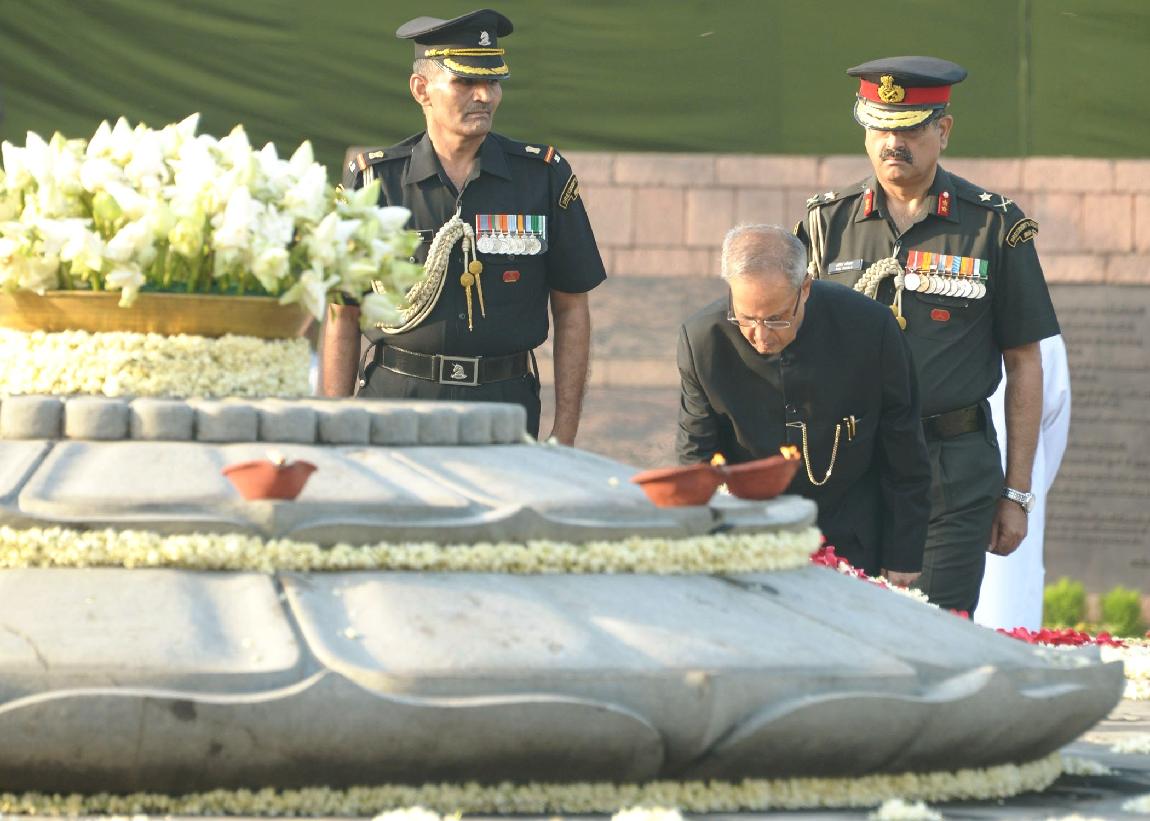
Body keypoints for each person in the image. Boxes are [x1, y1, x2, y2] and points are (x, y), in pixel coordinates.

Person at [798, 56, 1061, 613]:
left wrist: (1016, 493)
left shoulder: (994, 225)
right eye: (880, 128)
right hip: (850, 463)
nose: (893, 143)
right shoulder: (825, 223)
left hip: (951, 469)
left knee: (936, 628)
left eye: (911, 129)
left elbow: (1025, 361)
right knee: (842, 623)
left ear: (943, 130)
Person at [320, 9, 606, 444]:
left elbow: (571, 308)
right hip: (396, 404)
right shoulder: (374, 182)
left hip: (504, 409)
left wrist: (564, 435)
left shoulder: (542, 176)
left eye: (493, 82)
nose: (485, 96)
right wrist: (335, 429)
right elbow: (343, 312)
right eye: (466, 82)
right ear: (421, 90)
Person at [677, 224, 931, 582]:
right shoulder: (702, 340)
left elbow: (903, 446)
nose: (761, 336)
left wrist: (903, 553)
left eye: (776, 318)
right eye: (746, 318)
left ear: (805, 289)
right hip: (748, 538)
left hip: (852, 537)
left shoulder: (870, 328)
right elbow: (696, 456)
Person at [975, 334, 1071, 629]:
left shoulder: (1042, 337)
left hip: (1007, 521)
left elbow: (1053, 427)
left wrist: (1020, 497)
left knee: (1002, 625)